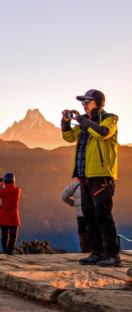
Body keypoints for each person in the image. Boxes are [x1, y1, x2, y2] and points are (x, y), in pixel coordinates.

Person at [62, 89, 121, 267]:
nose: (84, 104)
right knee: (89, 216)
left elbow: (103, 132)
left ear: (98, 102)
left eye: (88, 101)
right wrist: (65, 123)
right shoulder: (83, 125)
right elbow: (68, 137)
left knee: (102, 214)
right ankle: (97, 252)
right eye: (83, 101)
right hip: (84, 176)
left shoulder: (110, 118)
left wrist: (82, 120)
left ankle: (113, 254)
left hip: (101, 175)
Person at [0, 173, 21, 255]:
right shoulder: (18, 190)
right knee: (13, 235)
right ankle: (10, 251)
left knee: (4, 235)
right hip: (14, 217)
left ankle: (4, 250)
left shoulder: (3, 191)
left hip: (4, 217)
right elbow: (10, 190)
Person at [62, 179, 90, 253]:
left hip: (80, 215)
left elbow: (64, 196)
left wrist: (75, 203)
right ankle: (97, 252)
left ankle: (85, 252)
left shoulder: (75, 185)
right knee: (95, 232)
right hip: (92, 214)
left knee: (83, 235)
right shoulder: (93, 184)